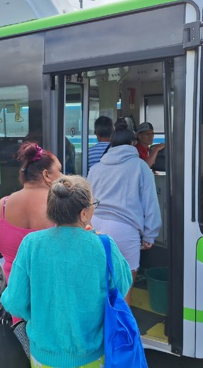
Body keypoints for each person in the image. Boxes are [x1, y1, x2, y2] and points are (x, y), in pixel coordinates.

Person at [1, 175, 132, 368]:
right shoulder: (104, 246)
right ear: (84, 213)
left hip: (43, 357)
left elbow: (14, 302)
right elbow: (123, 285)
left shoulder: (31, 244)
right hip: (92, 357)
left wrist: (40, 314)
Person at [87, 122, 161, 305]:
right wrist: (150, 235)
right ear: (132, 144)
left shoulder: (96, 168)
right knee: (124, 285)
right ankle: (121, 329)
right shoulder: (140, 167)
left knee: (100, 282)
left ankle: (101, 328)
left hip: (95, 226)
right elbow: (150, 203)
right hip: (124, 230)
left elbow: (87, 200)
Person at [0, 141, 62, 284]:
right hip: (52, 294)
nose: (62, 175)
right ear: (46, 175)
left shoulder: (3, 205)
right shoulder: (62, 205)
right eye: (59, 170)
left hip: (16, 295)